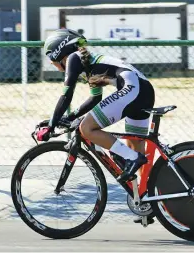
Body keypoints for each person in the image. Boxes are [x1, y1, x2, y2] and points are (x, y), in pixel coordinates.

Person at [37, 28, 155, 224]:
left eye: (50, 55)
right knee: (133, 147)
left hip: (132, 89)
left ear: (58, 51)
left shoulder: (74, 58)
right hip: (142, 91)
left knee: (87, 129)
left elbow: (66, 94)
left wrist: (51, 124)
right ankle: (147, 202)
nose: (50, 61)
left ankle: (133, 158)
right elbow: (94, 99)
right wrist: (69, 118)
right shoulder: (88, 64)